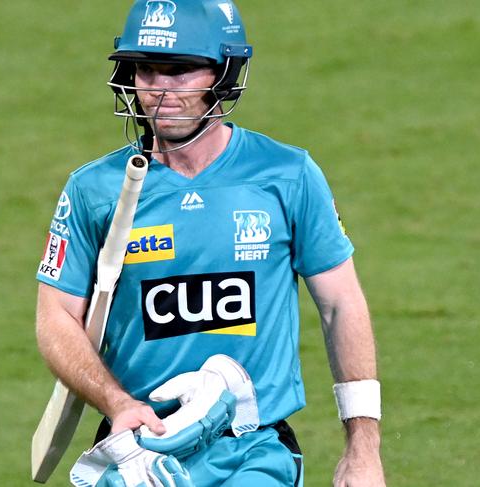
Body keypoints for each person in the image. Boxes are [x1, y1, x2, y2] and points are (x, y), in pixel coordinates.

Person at [35, 0, 385, 485]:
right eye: (147, 70)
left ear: (224, 74)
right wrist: (118, 404)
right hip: (140, 448)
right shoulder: (93, 190)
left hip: (254, 452)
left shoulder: (286, 175)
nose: (160, 90)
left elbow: (341, 305)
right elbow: (55, 317)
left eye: (180, 71)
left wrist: (362, 447)